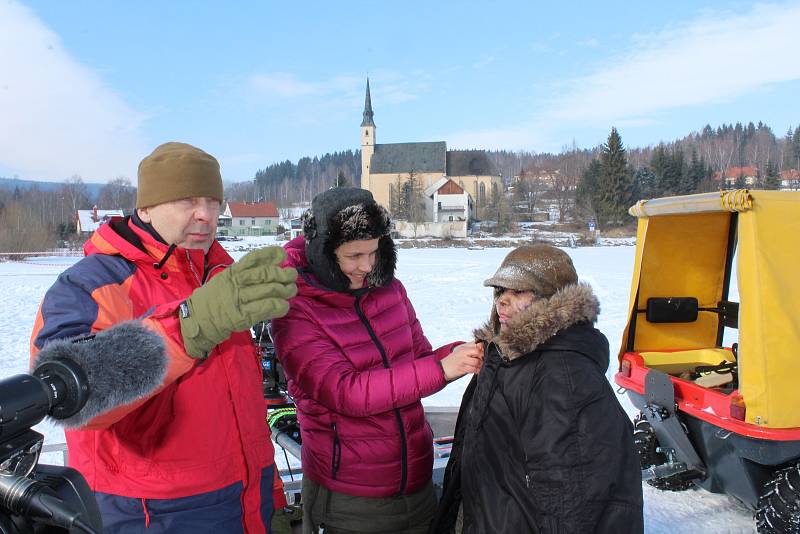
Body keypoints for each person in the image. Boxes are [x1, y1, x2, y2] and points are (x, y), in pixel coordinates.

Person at [30, 142, 297, 533]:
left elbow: (242, 409)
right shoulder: (90, 285)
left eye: (212, 201)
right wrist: (190, 326)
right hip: (151, 514)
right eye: (187, 200)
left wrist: (268, 493)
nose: (205, 215)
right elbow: (71, 397)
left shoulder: (223, 274)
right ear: (146, 209)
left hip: (245, 502)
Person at [270, 187, 483, 534]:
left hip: (416, 482)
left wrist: (467, 351)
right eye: (354, 255)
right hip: (350, 497)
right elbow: (344, 392)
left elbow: (420, 360)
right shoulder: (295, 307)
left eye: (374, 252)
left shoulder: (390, 289)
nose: (367, 266)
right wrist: (440, 368)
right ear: (323, 251)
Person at [430, 245, 643, 534]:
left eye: (518, 292)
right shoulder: (506, 359)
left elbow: (577, 501)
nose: (502, 302)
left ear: (552, 301)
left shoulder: (561, 375)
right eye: (500, 292)